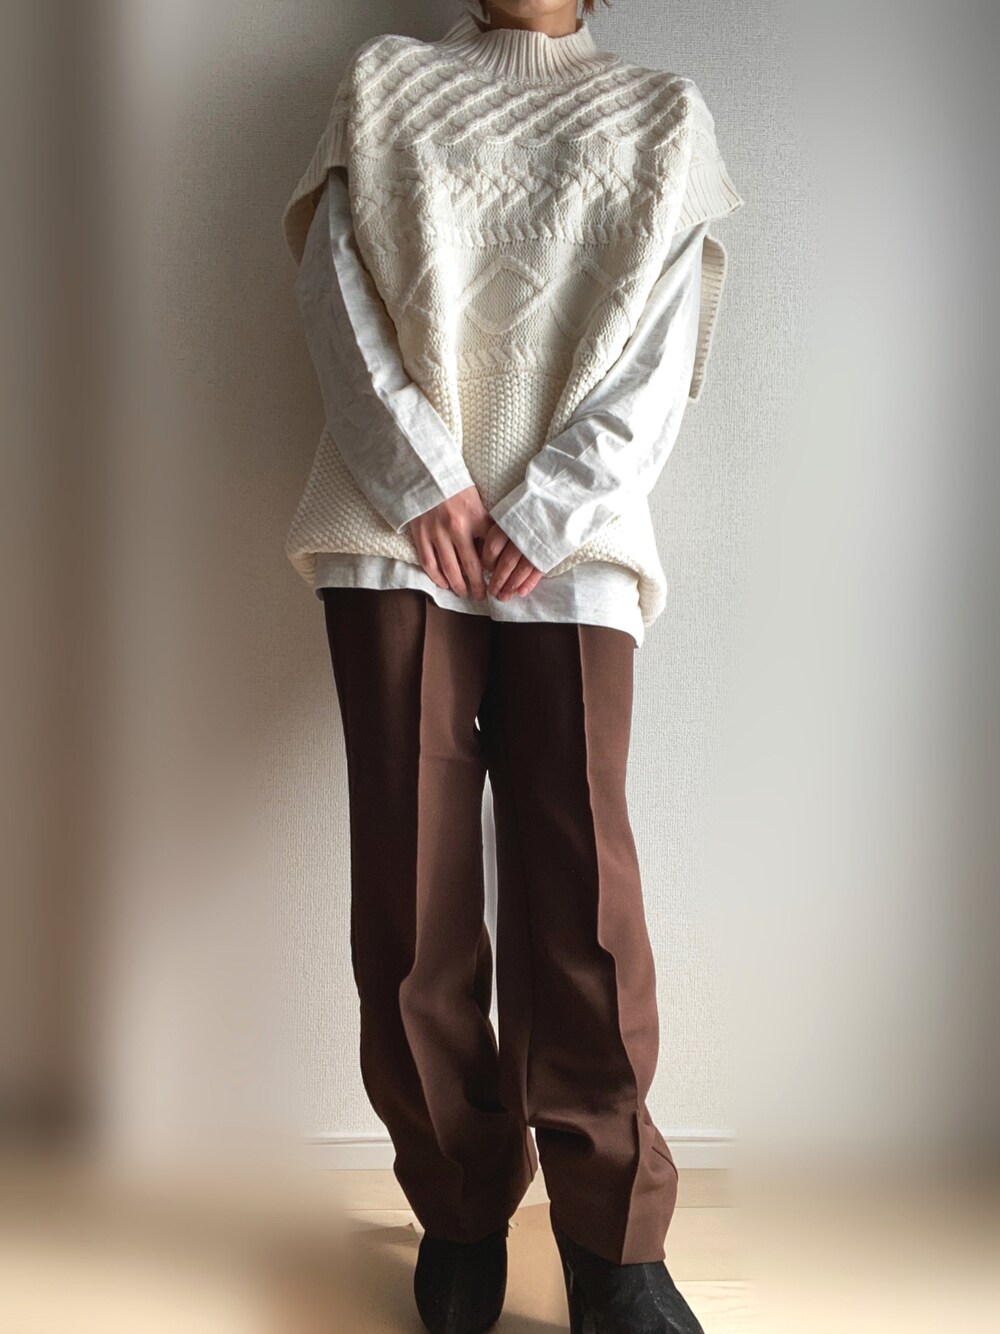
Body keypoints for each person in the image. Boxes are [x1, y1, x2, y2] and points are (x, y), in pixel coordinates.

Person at [283, 3, 743, 1330]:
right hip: (396, 531)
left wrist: (545, 507)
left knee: (581, 885)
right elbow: (332, 289)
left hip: (575, 543)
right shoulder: (385, 85)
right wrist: (425, 479)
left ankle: (614, 1241)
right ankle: (460, 1202)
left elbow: (663, 344)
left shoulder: (661, 115)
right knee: (410, 892)